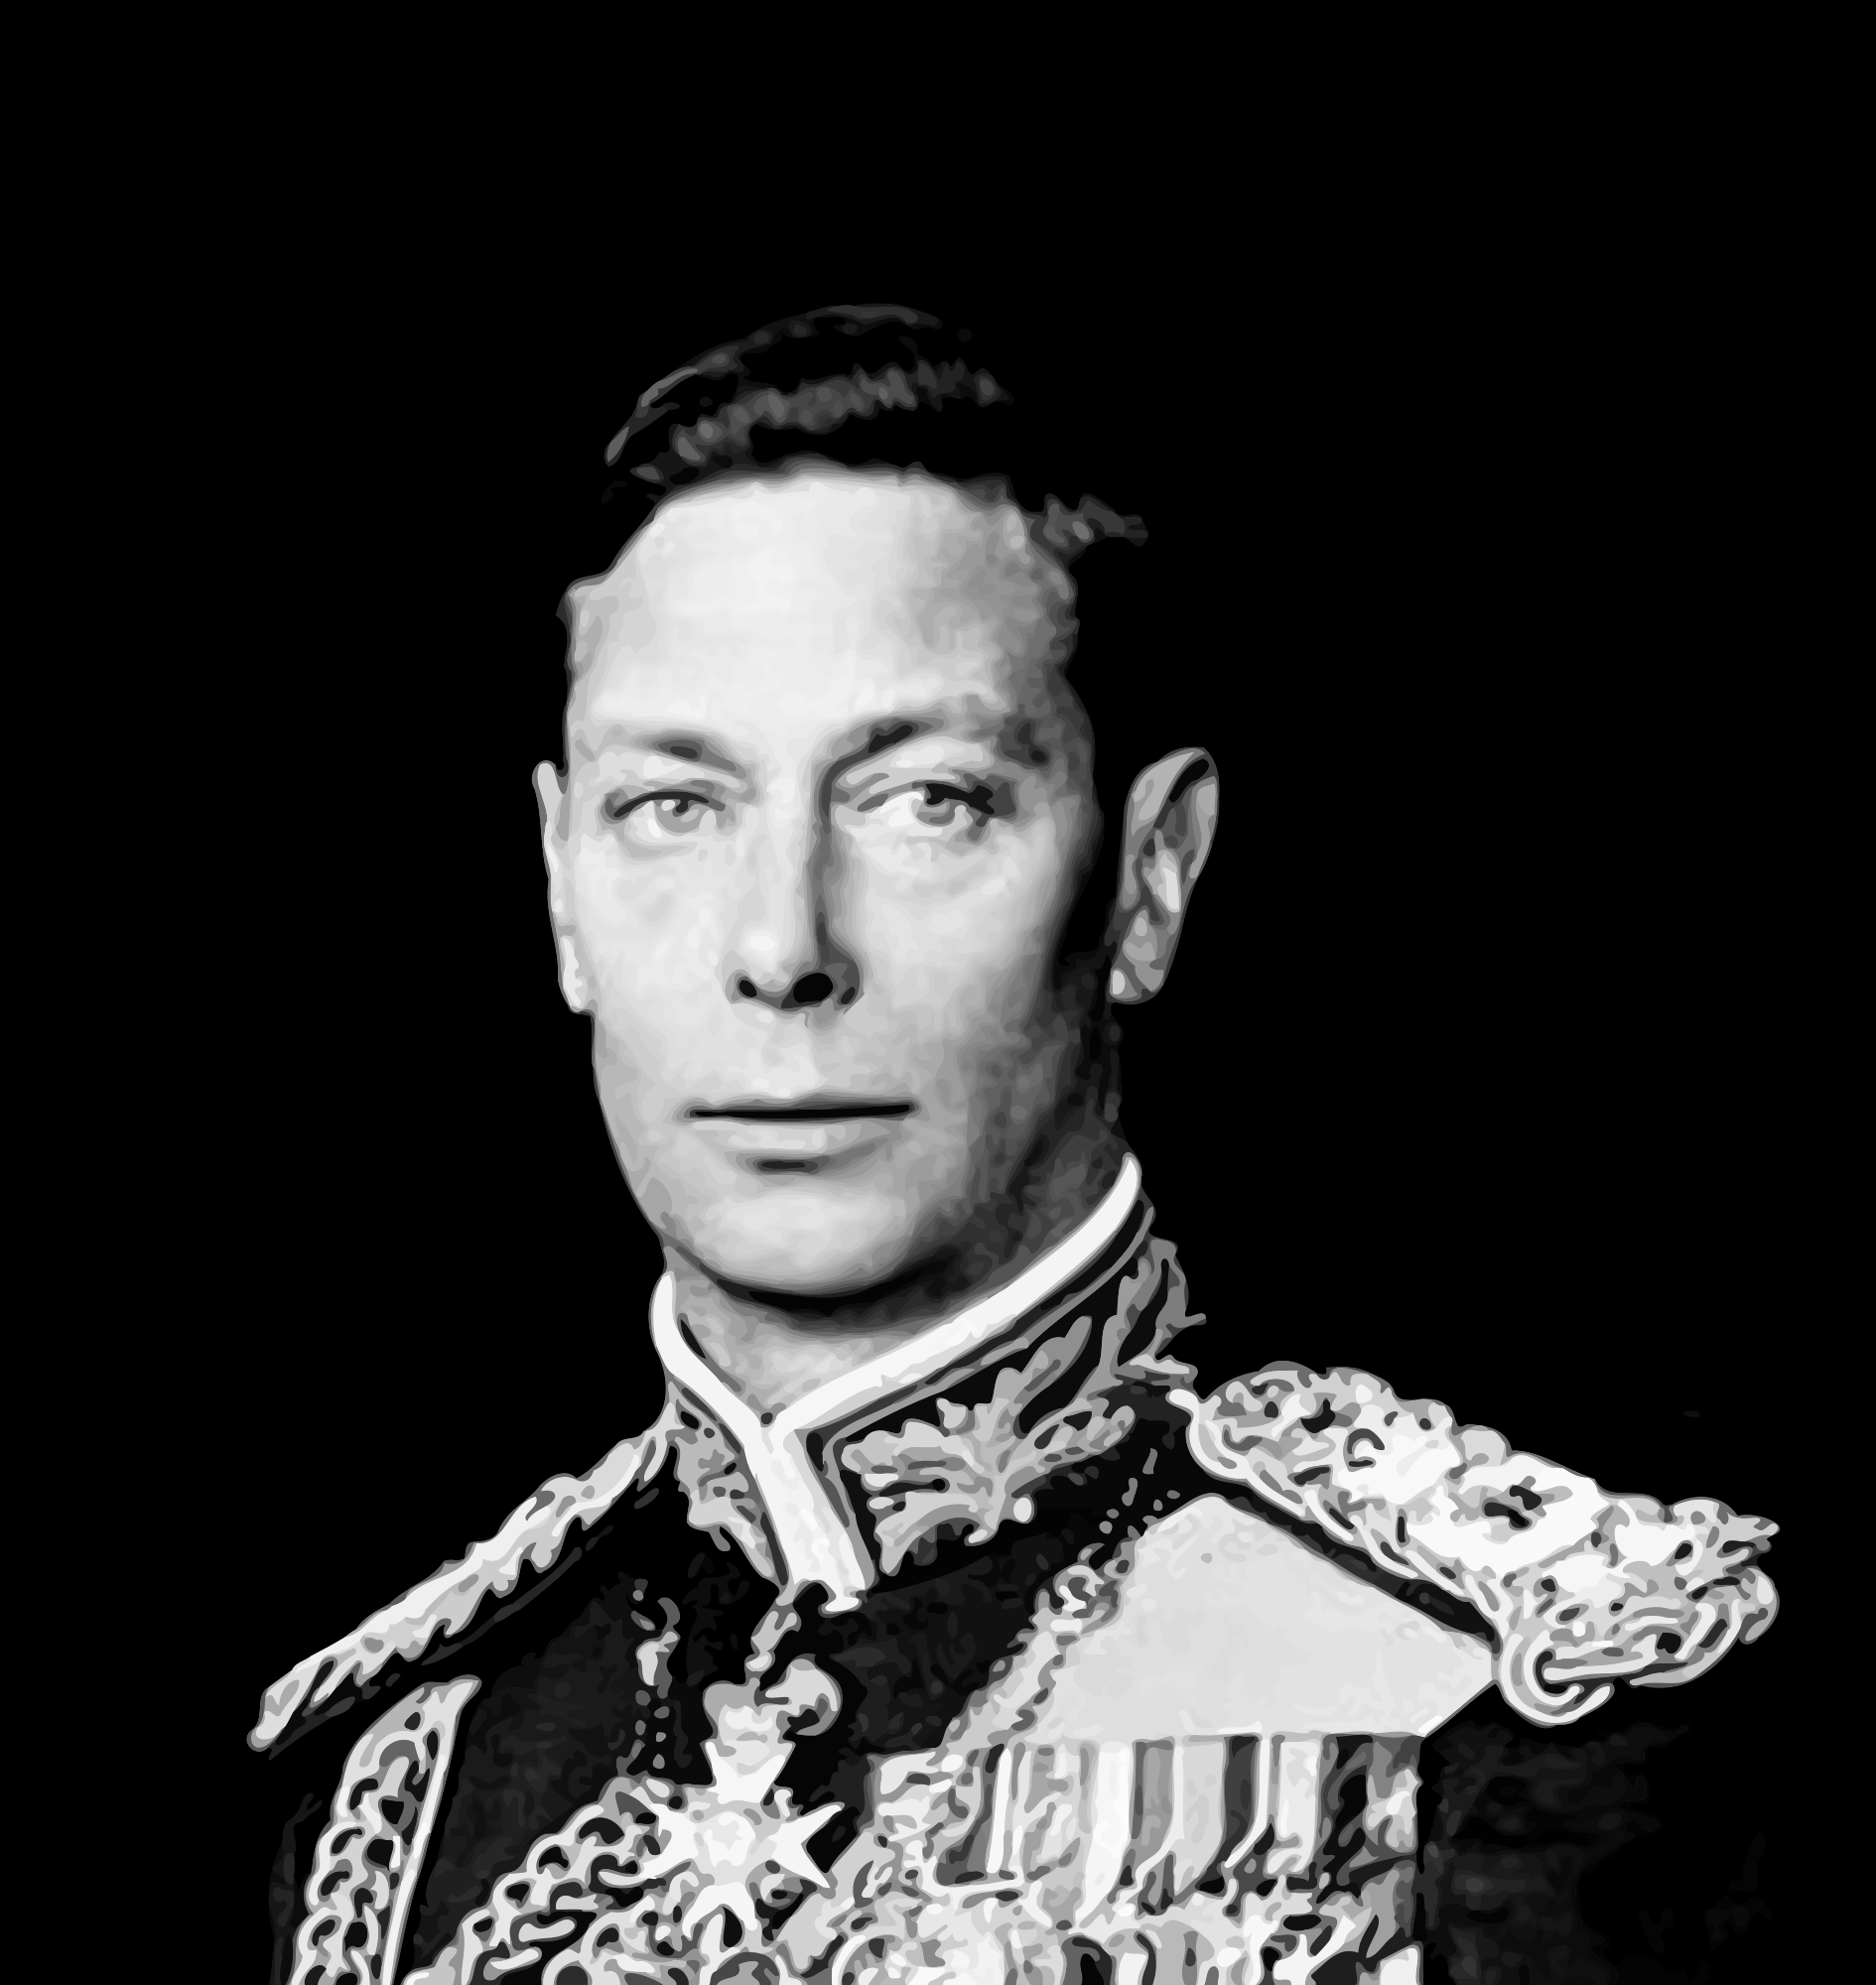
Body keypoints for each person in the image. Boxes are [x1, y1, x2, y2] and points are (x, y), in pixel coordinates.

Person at [249, 307, 1780, 1985]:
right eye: (673, 807)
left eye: (928, 801)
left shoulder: (1511, 1716)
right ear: (561, 893)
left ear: (1147, 880)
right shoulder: (406, 1780)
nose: (780, 946)